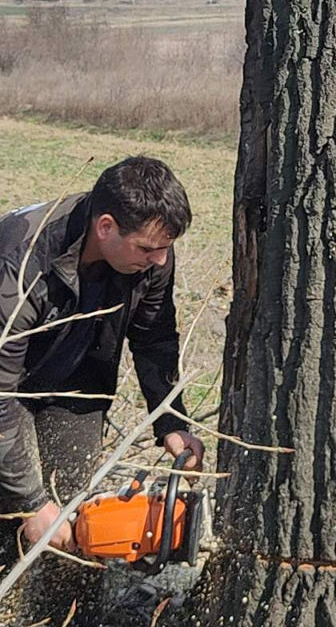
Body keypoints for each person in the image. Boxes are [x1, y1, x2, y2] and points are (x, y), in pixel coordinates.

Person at [0, 156, 204, 552]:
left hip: (77, 381)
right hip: (8, 386)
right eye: (147, 248)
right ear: (105, 226)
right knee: (19, 509)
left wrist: (171, 422)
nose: (159, 260)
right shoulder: (20, 261)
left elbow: (154, 337)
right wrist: (29, 503)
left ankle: (67, 608)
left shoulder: (152, 254)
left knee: (77, 520)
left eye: (165, 249)